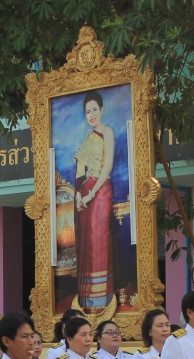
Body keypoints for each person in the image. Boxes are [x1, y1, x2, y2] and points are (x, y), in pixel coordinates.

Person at [73, 91, 115, 312]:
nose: (91, 114)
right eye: (87, 111)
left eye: (94, 109)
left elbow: (107, 166)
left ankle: (101, 301)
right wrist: (79, 194)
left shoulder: (107, 132)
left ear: (102, 110)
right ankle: (87, 301)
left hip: (101, 190)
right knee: (86, 241)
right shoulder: (88, 138)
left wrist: (91, 194)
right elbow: (81, 170)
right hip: (86, 192)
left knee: (99, 239)